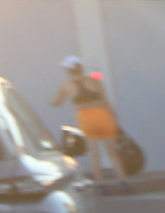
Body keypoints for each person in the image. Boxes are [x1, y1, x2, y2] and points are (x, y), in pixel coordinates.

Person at [51, 57, 124, 190]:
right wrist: (114, 119)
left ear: (68, 71)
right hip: (102, 115)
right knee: (112, 152)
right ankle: (122, 181)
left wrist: (51, 102)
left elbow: (57, 101)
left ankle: (101, 184)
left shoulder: (66, 85)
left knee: (94, 153)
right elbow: (105, 100)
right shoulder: (93, 80)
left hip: (85, 117)